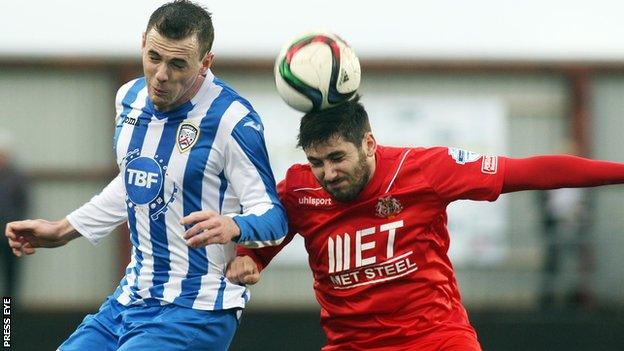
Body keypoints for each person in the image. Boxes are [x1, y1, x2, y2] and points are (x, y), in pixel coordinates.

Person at [217, 96, 624, 350]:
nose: (327, 172)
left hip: (436, 339)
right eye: (317, 162)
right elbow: (268, 231)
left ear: (369, 144)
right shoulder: (300, 189)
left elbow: (532, 172)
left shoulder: (425, 170)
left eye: (337, 158)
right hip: (352, 345)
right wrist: (249, 259)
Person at [4, 1, 287, 350]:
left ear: (205, 63)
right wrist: (63, 229)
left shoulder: (232, 119)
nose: (161, 75)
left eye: (178, 64)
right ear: (142, 44)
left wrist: (235, 225)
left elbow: (274, 218)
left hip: (197, 308)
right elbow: (134, 181)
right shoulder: (130, 98)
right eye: (154, 57)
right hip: (131, 299)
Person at [0, 131, 29, 298]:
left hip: (10, 237)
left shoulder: (17, 177)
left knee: (11, 277)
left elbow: (24, 205)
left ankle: (9, 316)